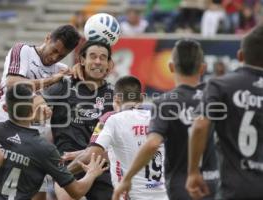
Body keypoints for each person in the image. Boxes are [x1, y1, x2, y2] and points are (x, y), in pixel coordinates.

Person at [113, 39, 219, 200]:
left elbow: (153, 143)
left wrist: (127, 179)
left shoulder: (165, 102)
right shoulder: (216, 97)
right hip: (213, 182)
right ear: (203, 68)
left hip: (182, 185)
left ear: (171, 67)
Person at [0, 83, 108, 200]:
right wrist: (92, 173)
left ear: (5, 108)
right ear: (34, 107)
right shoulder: (44, 149)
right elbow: (76, 191)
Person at [186, 25, 263, 200]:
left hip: (236, 189)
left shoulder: (220, 85)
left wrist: (193, 172)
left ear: (240, 56)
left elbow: (199, 126)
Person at [68, 75, 168, 200]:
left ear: (116, 99)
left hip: (131, 196)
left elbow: (91, 155)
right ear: (141, 99)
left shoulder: (112, 119)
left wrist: (61, 173)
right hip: (164, 195)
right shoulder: (158, 119)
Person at [40, 41, 114, 200]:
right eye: (92, 56)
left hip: (101, 167)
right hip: (67, 167)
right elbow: (36, 104)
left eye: (103, 58)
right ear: (81, 60)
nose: (97, 62)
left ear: (109, 64)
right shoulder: (64, 85)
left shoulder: (114, 95)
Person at [0, 24, 81, 123]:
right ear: (48, 38)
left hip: (33, 133)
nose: (54, 58)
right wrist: (51, 80)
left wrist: (79, 68)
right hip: (3, 123)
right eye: (54, 50)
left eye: (61, 56)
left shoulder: (62, 70)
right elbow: (12, 84)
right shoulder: (23, 50)